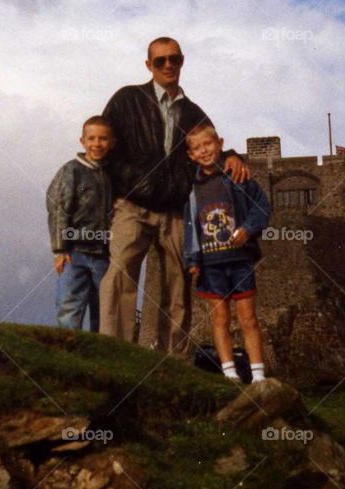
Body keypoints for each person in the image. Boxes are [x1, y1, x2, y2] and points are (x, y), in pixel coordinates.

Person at [99, 36, 249, 356]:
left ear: (182, 61)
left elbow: (210, 150)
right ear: (148, 65)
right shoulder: (127, 99)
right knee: (119, 275)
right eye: (160, 61)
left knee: (178, 288)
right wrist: (123, 185)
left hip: (176, 209)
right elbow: (105, 145)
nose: (168, 65)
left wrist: (234, 156)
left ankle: (173, 363)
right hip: (132, 204)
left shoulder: (193, 112)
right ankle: (114, 354)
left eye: (174, 59)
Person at [183, 124, 270, 382]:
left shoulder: (237, 175)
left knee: (249, 319)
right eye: (197, 148)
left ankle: (258, 375)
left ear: (220, 143)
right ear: (191, 155)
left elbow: (263, 207)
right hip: (211, 265)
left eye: (208, 144)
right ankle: (229, 374)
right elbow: (191, 228)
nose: (203, 151)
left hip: (240, 260)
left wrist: (248, 228)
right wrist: (193, 260)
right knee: (220, 319)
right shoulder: (191, 190)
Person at [46, 116, 114, 331]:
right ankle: (68, 353)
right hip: (74, 252)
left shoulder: (115, 173)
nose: (97, 144)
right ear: (82, 141)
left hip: (105, 254)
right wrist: (59, 249)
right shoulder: (72, 170)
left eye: (103, 139)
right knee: (69, 305)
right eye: (91, 138)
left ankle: (99, 358)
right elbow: (58, 208)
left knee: (103, 310)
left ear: (112, 142)